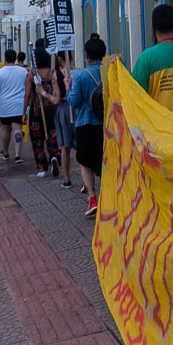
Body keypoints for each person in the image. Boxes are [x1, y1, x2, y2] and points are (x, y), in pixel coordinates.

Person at [67, 33, 105, 217]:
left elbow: (73, 102)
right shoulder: (111, 72)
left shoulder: (81, 76)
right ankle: (109, 196)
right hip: (106, 125)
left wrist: (67, 89)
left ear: (87, 55)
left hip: (85, 124)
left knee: (84, 161)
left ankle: (92, 198)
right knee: (104, 161)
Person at [24, 48, 61, 178]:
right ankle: (55, 157)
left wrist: (24, 113)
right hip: (51, 109)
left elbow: (27, 95)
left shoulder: (31, 75)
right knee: (53, 136)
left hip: (36, 111)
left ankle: (42, 168)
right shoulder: (52, 73)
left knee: (37, 141)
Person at [0, 49, 28, 163]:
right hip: (19, 105)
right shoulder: (23, 71)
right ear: (15, 58)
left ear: (5, 58)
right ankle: (17, 155)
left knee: (6, 130)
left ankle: (5, 152)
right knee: (17, 129)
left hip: (4, 106)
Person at [54, 50, 75, 188]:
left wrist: (42, 92)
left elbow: (55, 99)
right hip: (76, 108)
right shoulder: (77, 71)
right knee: (79, 144)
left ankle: (67, 178)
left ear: (60, 59)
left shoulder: (56, 75)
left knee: (65, 146)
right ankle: (86, 179)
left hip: (63, 109)